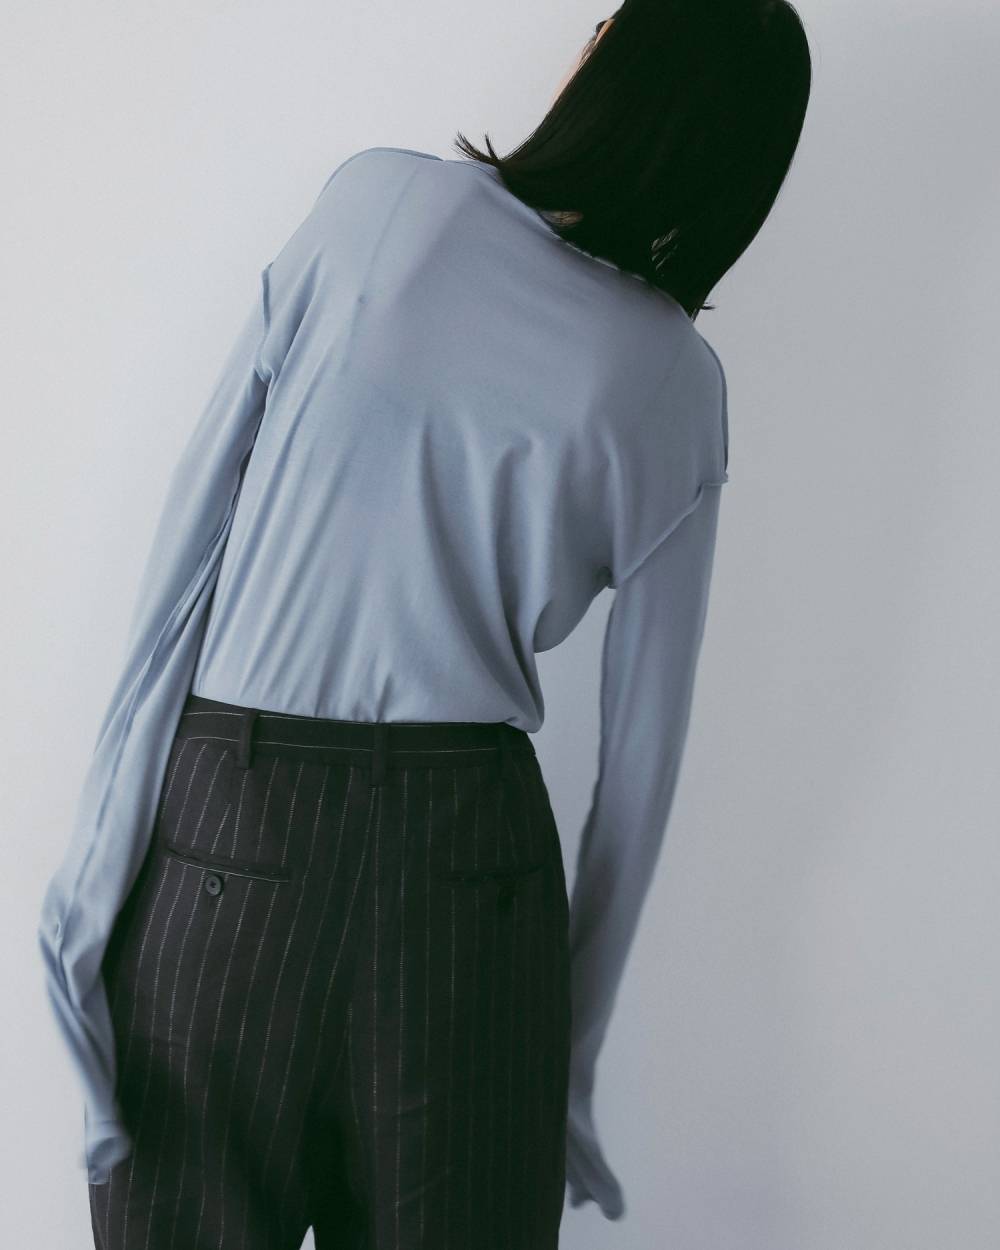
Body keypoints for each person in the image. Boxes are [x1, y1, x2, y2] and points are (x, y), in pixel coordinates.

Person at [37, 1, 812, 1245]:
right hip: (471, 875)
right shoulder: (673, 381)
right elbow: (641, 767)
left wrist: (90, 885)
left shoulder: (382, 208)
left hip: (235, 826)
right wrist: (571, 1054)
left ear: (618, 71)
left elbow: (191, 543)